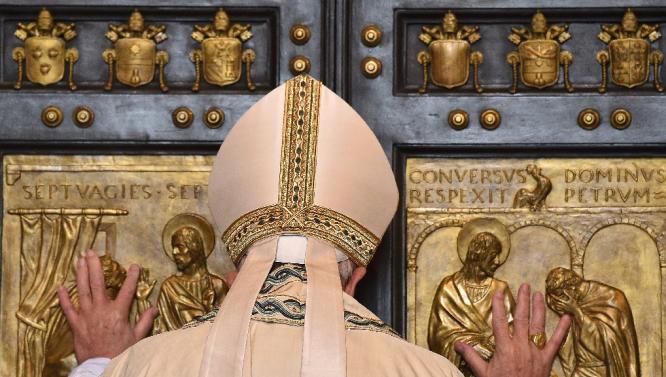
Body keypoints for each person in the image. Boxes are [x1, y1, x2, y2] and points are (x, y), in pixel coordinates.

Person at [59, 74, 570, 377]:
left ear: (235, 275)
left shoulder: (147, 367)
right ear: (356, 279)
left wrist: (104, 365)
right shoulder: (424, 371)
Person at [428, 219, 516, 376]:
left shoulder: (501, 289)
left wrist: (493, 345)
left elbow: (513, 329)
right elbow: (438, 336)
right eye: (493, 255)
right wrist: (472, 346)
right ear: (479, 254)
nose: (498, 261)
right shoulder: (449, 287)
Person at [545, 267, 639, 377]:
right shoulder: (573, 300)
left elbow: (606, 347)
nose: (561, 305)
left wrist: (577, 312)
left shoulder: (611, 298)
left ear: (571, 289)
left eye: (561, 299)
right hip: (581, 372)